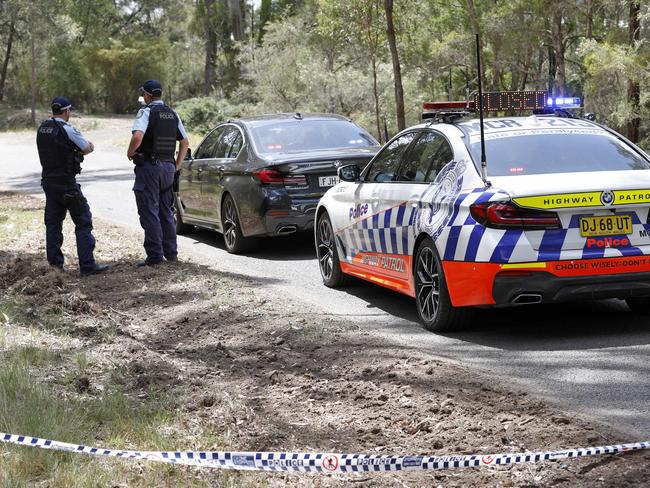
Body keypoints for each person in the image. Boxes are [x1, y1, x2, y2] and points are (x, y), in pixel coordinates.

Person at [36, 96, 108, 276]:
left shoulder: (42, 128)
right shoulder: (66, 128)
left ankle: (55, 268)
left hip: (49, 183)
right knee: (83, 222)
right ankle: (88, 266)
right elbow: (87, 147)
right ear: (66, 111)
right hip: (67, 184)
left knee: (53, 225)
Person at [127, 80, 189, 267]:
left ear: (147, 96)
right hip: (169, 169)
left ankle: (154, 257)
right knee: (166, 212)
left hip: (150, 169)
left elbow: (137, 136)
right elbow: (185, 142)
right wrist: (176, 166)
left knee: (149, 211)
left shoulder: (146, 112)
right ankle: (171, 255)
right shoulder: (173, 114)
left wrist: (130, 153)